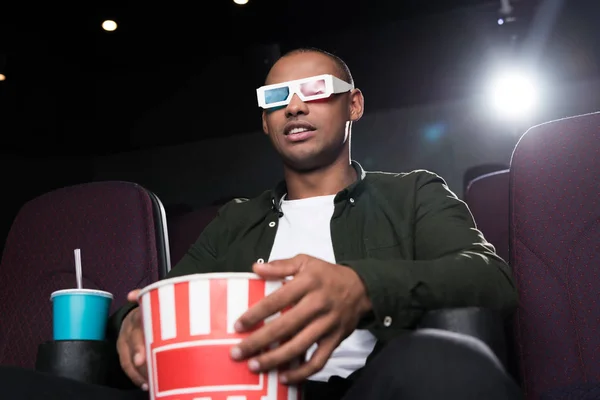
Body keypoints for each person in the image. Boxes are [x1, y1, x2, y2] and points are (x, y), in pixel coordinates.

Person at [0, 47, 522, 400]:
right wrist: (132, 323)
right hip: (243, 392)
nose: (295, 105)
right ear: (266, 122)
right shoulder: (236, 221)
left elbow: (488, 278)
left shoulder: (413, 194)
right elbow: (161, 297)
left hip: (372, 385)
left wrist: (364, 287)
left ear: (353, 105)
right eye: (276, 99)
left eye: (316, 89)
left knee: (439, 363)